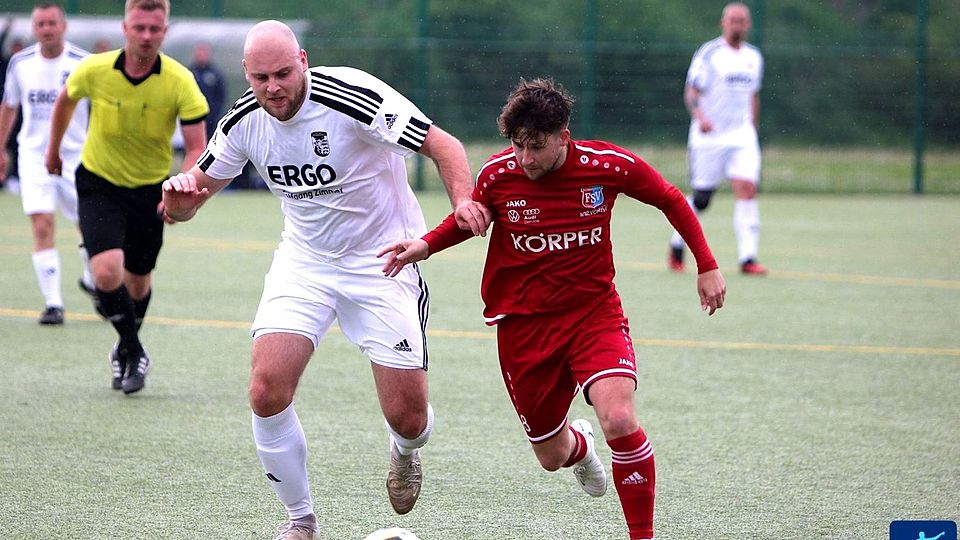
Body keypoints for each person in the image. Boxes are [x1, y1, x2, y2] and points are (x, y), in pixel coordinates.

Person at [160, 20, 489, 540]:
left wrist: (463, 202)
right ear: (245, 73)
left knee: (408, 418)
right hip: (305, 263)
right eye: (261, 78)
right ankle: (300, 520)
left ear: (304, 61)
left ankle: (405, 451)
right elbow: (190, 198)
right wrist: (178, 204)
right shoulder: (244, 120)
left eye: (283, 74)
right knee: (266, 390)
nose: (274, 88)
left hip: (383, 260)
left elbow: (444, 146)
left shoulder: (352, 97)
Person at [379, 78, 726, 540]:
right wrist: (425, 245)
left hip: (593, 316)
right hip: (522, 328)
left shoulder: (608, 165)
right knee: (550, 456)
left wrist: (706, 265)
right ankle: (581, 447)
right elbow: (471, 218)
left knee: (620, 419)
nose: (525, 158)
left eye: (536, 146)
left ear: (564, 136)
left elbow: (669, 197)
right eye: (518, 145)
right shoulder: (499, 174)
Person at [45, 0, 209, 393]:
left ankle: (125, 348)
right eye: (139, 28)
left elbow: (196, 147)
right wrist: (53, 151)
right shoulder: (95, 69)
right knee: (106, 272)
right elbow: (65, 99)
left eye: (154, 29)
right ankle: (134, 351)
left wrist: (182, 189)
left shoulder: (181, 80)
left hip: (150, 190)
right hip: (98, 182)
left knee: (138, 283)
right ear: (125, 29)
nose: (146, 36)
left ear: (165, 31)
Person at [0, 2, 95, 325]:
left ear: (63, 26)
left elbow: (103, 107)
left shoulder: (83, 63)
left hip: (77, 158)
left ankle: (93, 280)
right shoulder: (20, 64)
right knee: (42, 225)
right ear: (34, 28)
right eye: (40, 24)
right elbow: (9, 106)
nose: (46, 29)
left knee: (89, 226)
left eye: (52, 23)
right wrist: (0, 149)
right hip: (34, 158)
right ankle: (53, 304)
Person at [668, 1, 767, 275]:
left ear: (748, 25)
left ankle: (748, 258)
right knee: (702, 198)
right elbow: (692, 91)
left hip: (742, 136)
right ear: (723, 23)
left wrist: (753, 130)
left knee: (747, 188)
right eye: (732, 20)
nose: (737, 25)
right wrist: (700, 116)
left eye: (742, 21)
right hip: (709, 136)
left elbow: (753, 96)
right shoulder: (710, 53)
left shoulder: (754, 57)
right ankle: (677, 243)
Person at [188, 41, 226, 142]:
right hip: (192, 117)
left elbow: (221, 96)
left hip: (211, 120)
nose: (202, 55)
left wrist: (214, 114)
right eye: (199, 51)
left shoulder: (215, 74)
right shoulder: (189, 73)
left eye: (204, 52)